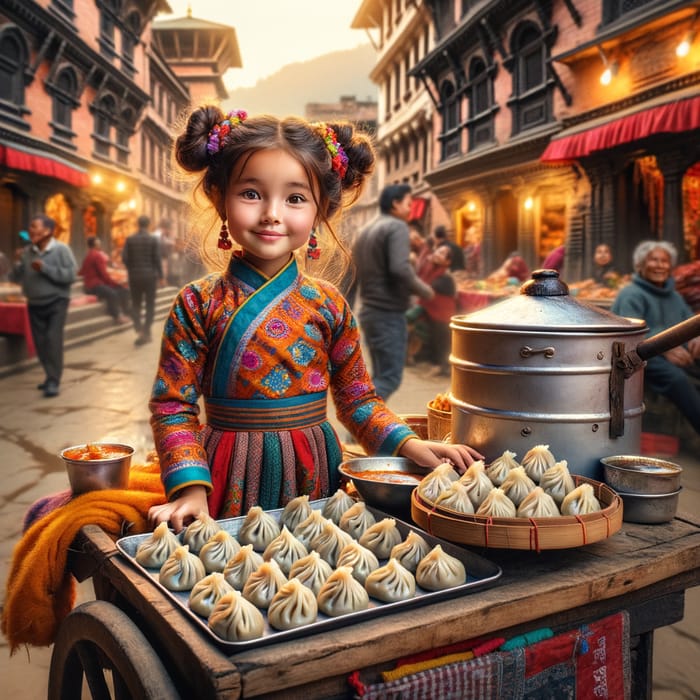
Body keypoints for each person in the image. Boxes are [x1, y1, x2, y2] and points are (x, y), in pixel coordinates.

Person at [147, 106, 481, 531]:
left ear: (320, 210)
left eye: (295, 198)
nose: (272, 212)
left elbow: (357, 399)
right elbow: (173, 404)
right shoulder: (196, 302)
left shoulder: (330, 304)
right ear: (219, 197)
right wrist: (190, 488)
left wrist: (409, 445)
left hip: (316, 466)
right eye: (251, 193)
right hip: (224, 472)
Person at [351, 183, 435, 401]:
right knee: (389, 378)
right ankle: (361, 424)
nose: (410, 209)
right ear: (395, 204)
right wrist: (425, 291)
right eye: (408, 203)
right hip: (387, 314)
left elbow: (353, 275)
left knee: (379, 376)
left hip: (370, 313)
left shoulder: (365, 230)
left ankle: (368, 429)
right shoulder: (396, 227)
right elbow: (400, 268)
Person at [611, 240, 700, 436]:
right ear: (640, 265)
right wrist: (665, 347)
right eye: (653, 260)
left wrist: (696, 338)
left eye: (664, 261)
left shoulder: (674, 296)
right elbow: (630, 332)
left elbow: (689, 322)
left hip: (677, 353)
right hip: (641, 356)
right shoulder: (630, 294)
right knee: (678, 380)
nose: (660, 265)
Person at [9, 214, 77, 397]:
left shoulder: (62, 250)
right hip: (34, 303)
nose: (30, 230)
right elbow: (15, 278)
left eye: (34, 226)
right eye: (30, 227)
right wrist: (17, 262)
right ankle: (49, 376)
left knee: (52, 340)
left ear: (47, 231)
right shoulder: (27, 252)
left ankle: (54, 380)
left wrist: (45, 269)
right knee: (40, 343)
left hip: (57, 302)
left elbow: (71, 276)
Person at [407, 243, 458, 376]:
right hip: (428, 308)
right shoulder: (430, 268)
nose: (437, 254)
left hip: (442, 312)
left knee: (440, 336)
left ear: (448, 261)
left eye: (442, 254)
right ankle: (418, 358)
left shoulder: (445, 277)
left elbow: (430, 289)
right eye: (438, 251)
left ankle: (440, 365)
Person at [121, 215, 163, 346]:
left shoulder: (130, 239)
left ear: (138, 225)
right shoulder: (152, 239)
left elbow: (124, 258)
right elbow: (157, 259)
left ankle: (139, 329)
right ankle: (146, 330)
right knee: (150, 304)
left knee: (136, 303)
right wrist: (161, 276)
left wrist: (132, 268)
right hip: (150, 276)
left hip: (134, 276)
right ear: (149, 225)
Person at [78, 236, 130, 324]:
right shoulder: (97, 255)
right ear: (96, 245)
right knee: (113, 293)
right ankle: (117, 316)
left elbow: (81, 272)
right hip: (94, 285)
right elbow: (104, 274)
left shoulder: (89, 255)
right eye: (98, 243)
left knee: (122, 290)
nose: (100, 244)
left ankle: (124, 313)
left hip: (91, 285)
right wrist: (114, 283)